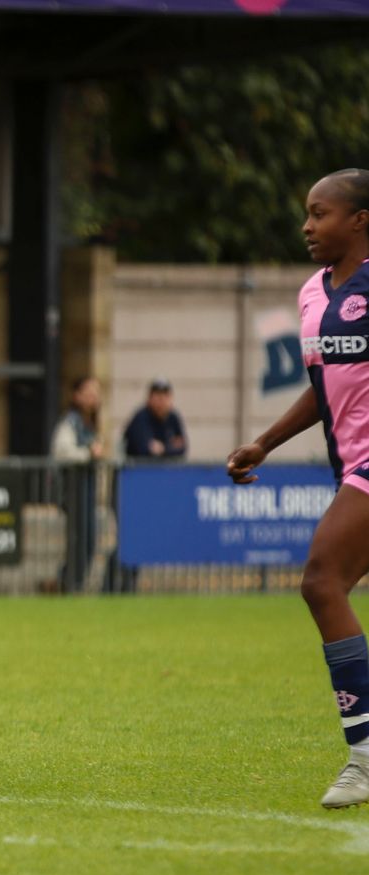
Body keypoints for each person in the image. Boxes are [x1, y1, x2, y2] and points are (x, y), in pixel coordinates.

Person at [228, 168, 369, 808]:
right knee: (325, 583)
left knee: (320, 581)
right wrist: (265, 442)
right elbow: (323, 388)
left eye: (321, 213)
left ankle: (365, 755)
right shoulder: (314, 292)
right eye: (308, 214)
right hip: (351, 469)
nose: (308, 226)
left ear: (360, 219)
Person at [51, 375, 104, 593]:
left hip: (86, 488)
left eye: (96, 393)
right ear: (77, 396)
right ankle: (69, 583)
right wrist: (88, 453)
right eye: (89, 393)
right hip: (73, 489)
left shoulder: (89, 422)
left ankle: (70, 582)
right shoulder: (70, 421)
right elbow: (62, 451)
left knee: (88, 539)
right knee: (79, 539)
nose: (94, 398)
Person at [122, 378, 187, 460]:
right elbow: (144, 449)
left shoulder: (173, 417)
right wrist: (169, 447)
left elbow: (182, 447)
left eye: (165, 396)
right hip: (140, 470)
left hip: (167, 470)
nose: (161, 401)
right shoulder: (141, 418)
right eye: (158, 396)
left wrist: (163, 449)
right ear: (149, 399)